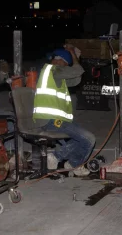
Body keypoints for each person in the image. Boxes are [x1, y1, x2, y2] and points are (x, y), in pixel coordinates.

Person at [34, 46, 95, 176]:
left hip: (52, 119)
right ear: (62, 62)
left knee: (82, 138)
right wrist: (73, 54)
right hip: (50, 120)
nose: (67, 67)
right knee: (89, 139)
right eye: (67, 64)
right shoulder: (55, 70)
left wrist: (75, 58)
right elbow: (78, 71)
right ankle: (57, 157)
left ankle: (73, 164)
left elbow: (76, 79)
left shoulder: (53, 74)